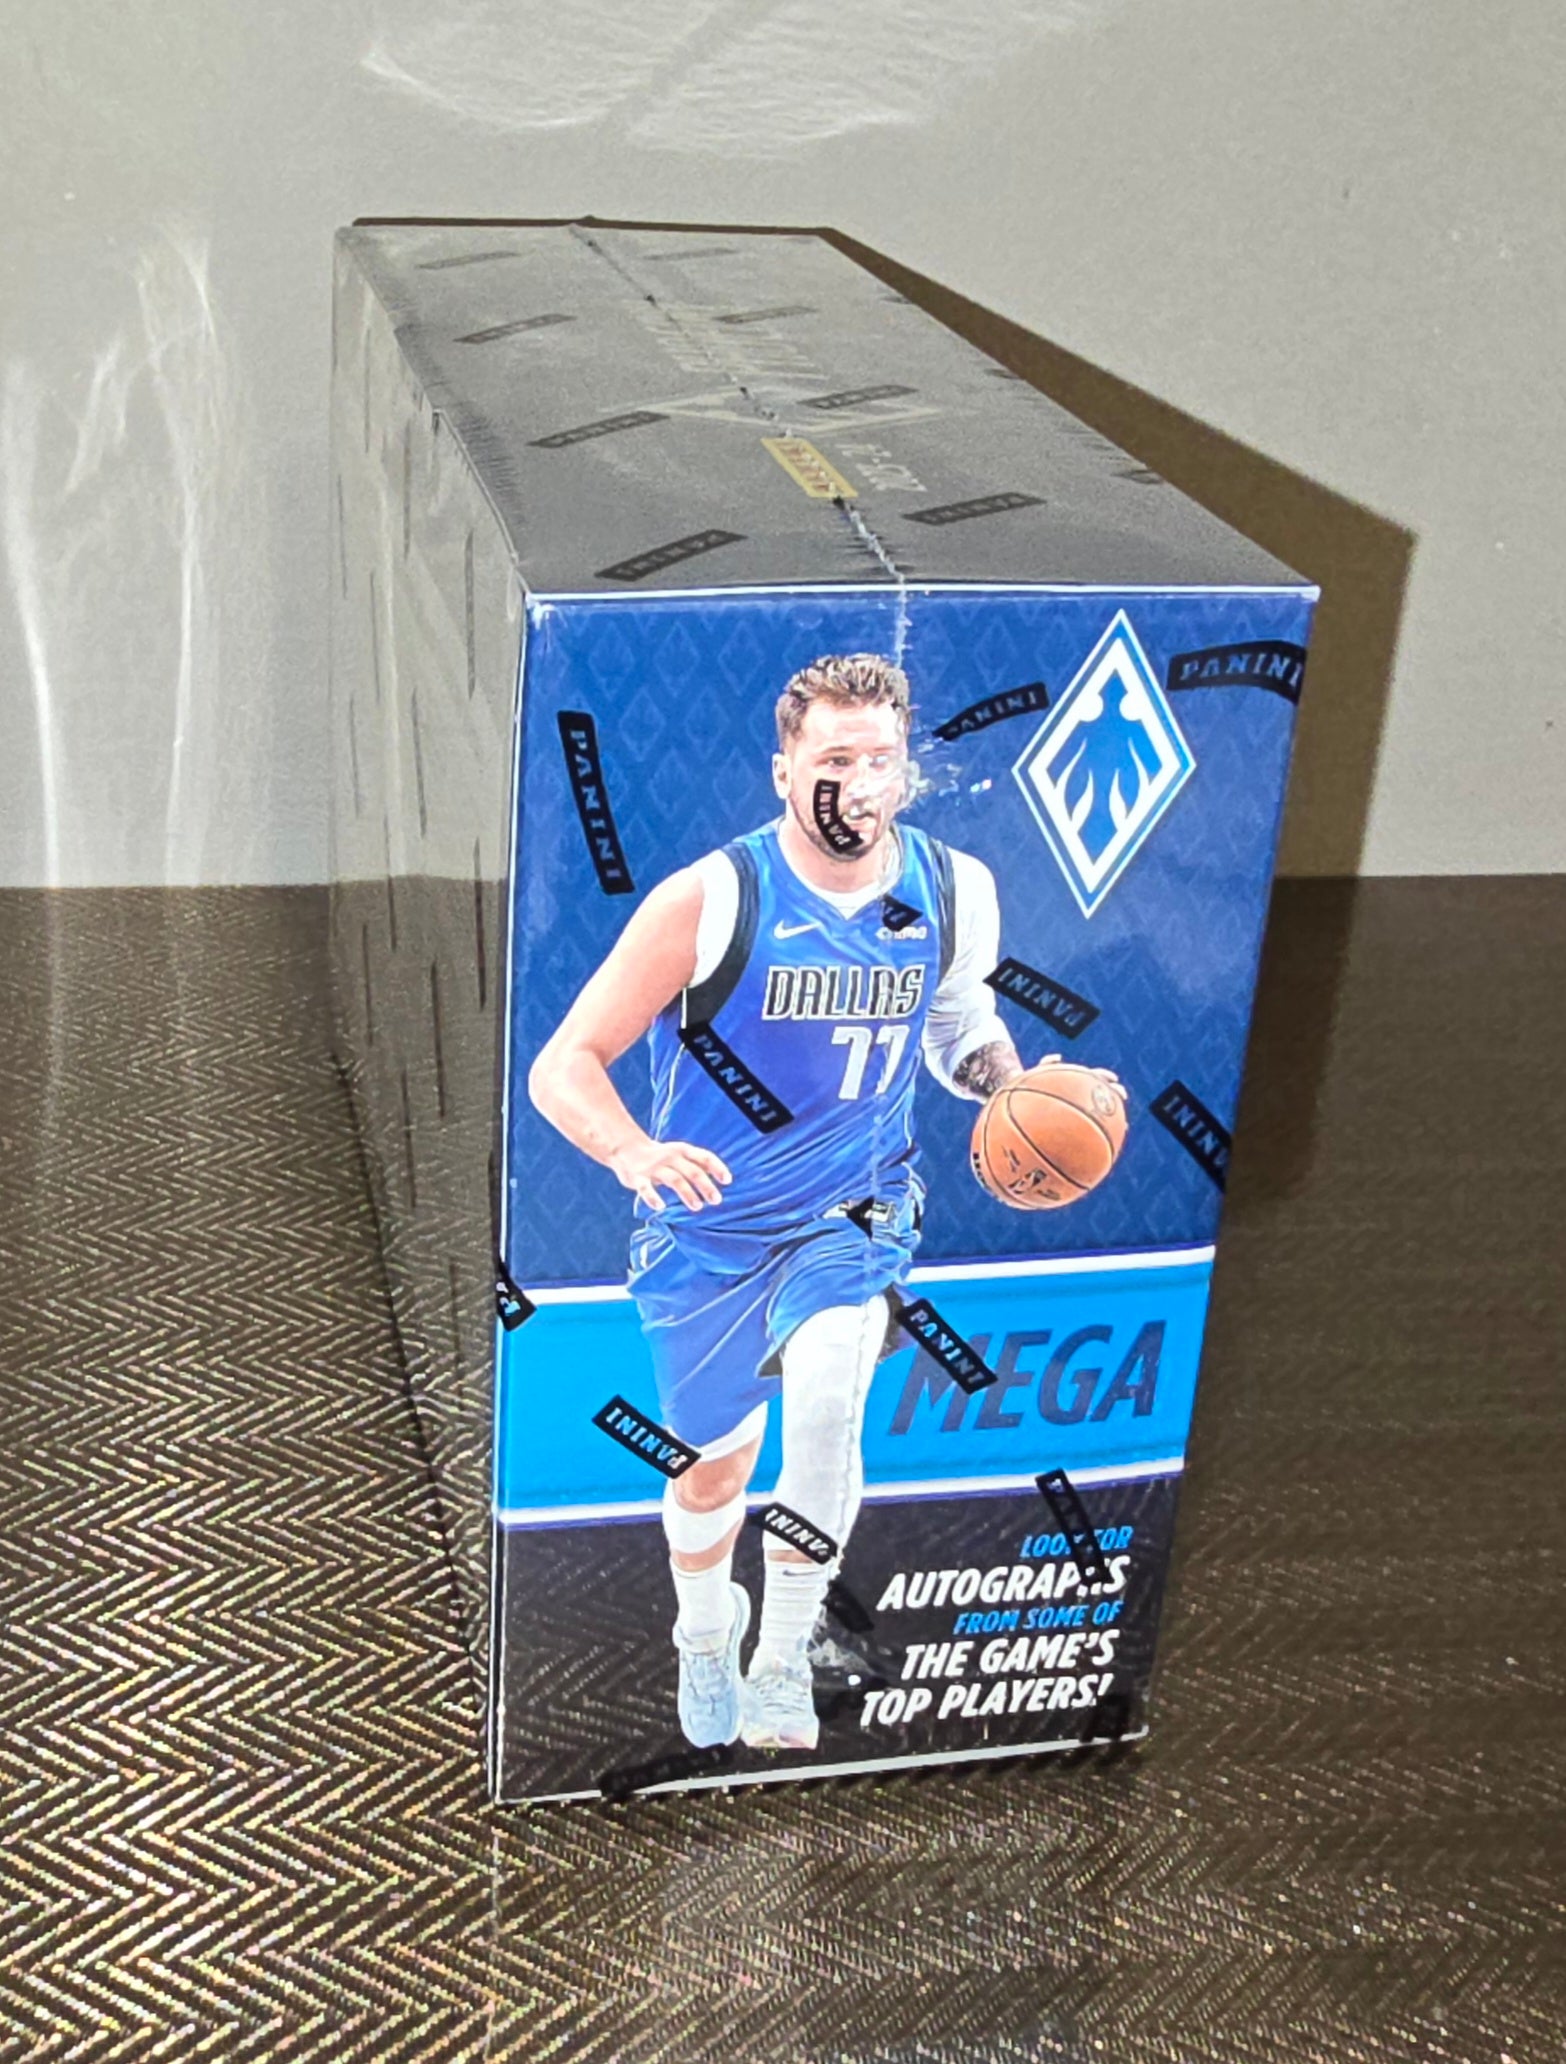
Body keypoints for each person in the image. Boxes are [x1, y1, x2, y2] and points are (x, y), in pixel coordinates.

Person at [529, 652, 1035, 1754]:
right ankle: (706, 1631)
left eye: (881, 759)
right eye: (835, 758)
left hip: (853, 1212)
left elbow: (957, 1027)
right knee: (710, 1470)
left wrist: (1012, 1089)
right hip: (709, 1233)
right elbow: (563, 1064)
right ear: (784, 772)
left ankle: (781, 1655)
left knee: (826, 1407)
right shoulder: (712, 898)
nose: (861, 781)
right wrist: (632, 1151)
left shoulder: (955, 888)